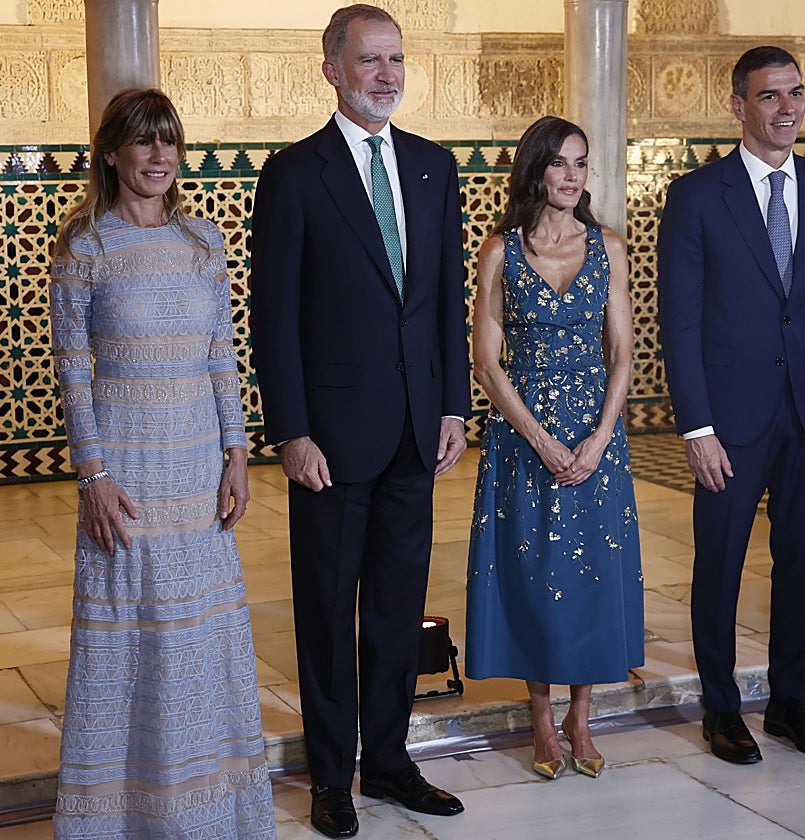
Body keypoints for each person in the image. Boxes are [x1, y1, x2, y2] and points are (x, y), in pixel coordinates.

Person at [248, 5, 470, 838]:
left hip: (418, 429)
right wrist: (291, 430)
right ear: (332, 69)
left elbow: (443, 296)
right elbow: (274, 316)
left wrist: (453, 404)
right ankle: (331, 774)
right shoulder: (296, 174)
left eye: (396, 60)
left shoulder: (432, 167)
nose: (386, 74)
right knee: (327, 611)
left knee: (395, 610)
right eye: (369, 60)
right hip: (331, 441)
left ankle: (389, 760)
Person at [49, 88, 275, 839]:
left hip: (196, 472)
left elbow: (222, 357)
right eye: (143, 143)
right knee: (134, 637)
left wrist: (238, 453)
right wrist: (93, 474)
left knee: (198, 640)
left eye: (169, 143)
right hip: (127, 476)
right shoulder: (86, 246)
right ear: (110, 153)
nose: (157, 158)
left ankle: (210, 814)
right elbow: (73, 369)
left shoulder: (204, 243)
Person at [657, 46, 805, 765]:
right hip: (730, 421)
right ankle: (722, 710)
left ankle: (789, 704)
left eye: (796, 94)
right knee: (718, 562)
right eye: (771, 97)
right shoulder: (696, 195)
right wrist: (697, 426)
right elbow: (678, 320)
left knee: (800, 560)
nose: (788, 110)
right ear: (738, 105)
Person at [465, 116, 645, 781]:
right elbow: (487, 364)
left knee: (593, 573)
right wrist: (540, 439)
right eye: (561, 163)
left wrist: (599, 438)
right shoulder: (499, 251)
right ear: (536, 169)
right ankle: (542, 719)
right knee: (537, 574)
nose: (573, 176)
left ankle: (582, 716)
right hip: (523, 437)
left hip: (597, 437)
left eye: (582, 163)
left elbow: (623, 351)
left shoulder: (610, 247)